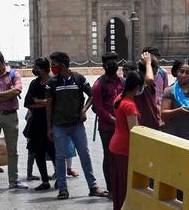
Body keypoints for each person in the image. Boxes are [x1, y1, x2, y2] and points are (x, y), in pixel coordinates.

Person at [45, 52, 108, 200]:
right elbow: (48, 106)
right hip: (59, 126)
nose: (52, 67)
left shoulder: (79, 79)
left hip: (76, 125)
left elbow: (92, 95)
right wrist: (49, 127)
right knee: (60, 157)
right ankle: (62, 189)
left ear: (62, 64)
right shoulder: (52, 83)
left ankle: (93, 187)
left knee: (84, 155)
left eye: (54, 64)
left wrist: (84, 110)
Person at [0, 51, 27, 192]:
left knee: (12, 149)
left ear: (0, 63)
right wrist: (8, 94)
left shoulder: (14, 75)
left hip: (10, 115)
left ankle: (13, 180)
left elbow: (17, 91)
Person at [109, 71, 143, 210]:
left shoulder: (119, 98)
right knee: (125, 186)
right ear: (136, 87)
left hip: (115, 145)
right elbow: (134, 131)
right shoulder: (130, 105)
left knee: (117, 184)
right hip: (125, 148)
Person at [91, 52, 124, 193]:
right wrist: (114, 120)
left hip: (122, 126)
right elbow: (99, 109)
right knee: (109, 157)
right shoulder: (99, 85)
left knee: (122, 156)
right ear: (104, 65)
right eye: (110, 62)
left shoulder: (122, 82)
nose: (113, 64)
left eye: (114, 61)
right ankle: (111, 188)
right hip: (107, 128)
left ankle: (121, 185)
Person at [24, 57, 57, 190]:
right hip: (37, 123)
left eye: (36, 67)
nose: (34, 69)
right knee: (38, 152)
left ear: (43, 69)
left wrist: (40, 102)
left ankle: (60, 179)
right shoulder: (34, 83)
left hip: (54, 123)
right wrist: (47, 103)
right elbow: (28, 103)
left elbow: (57, 103)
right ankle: (45, 181)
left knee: (55, 152)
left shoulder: (54, 82)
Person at [161, 60, 189, 140]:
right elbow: (163, 113)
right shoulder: (169, 91)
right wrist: (179, 110)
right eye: (181, 71)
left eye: (187, 73)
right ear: (176, 72)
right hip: (173, 135)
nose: (184, 75)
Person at [135, 52, 162, 130]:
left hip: (152, 126)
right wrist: (148, 63)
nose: (158, 69)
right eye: (157, 66)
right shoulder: (138, 80)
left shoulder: (151, 85)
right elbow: (149, 79)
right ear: (151, 68)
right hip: (142, 127)